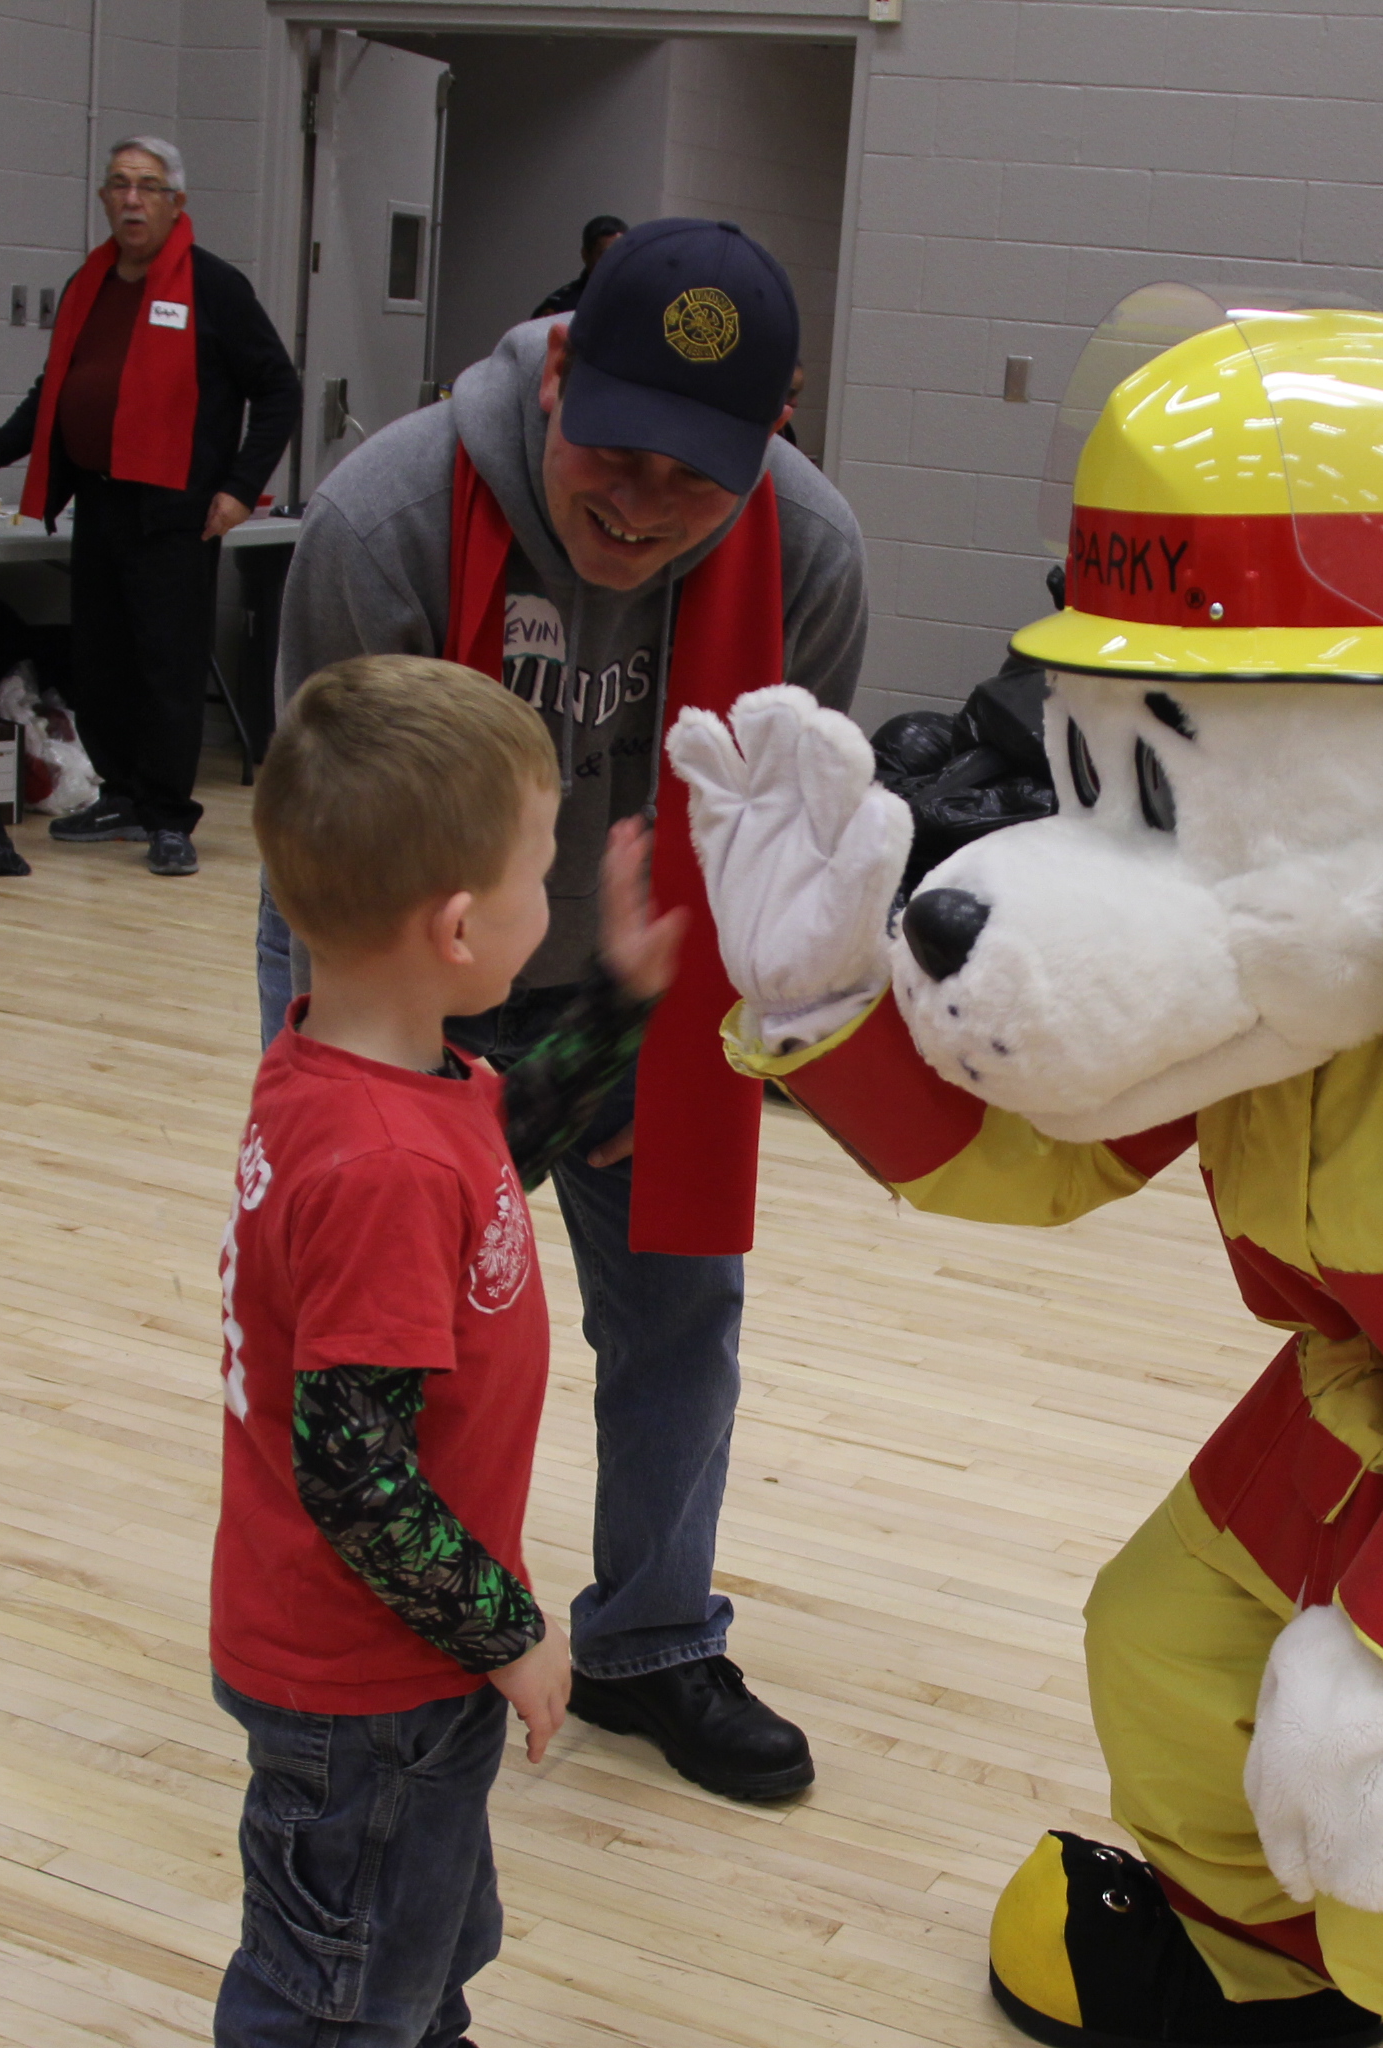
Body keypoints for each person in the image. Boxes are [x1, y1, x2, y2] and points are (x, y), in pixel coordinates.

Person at [264, 217, 865, 1801]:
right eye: (617, 453)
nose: (640, 507)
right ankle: (363, 1650)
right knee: (393, 1332)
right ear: (555, 381)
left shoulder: (810, 555)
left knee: (681, 1309)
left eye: (694, 481)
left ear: (772, 435)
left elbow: (787, 837)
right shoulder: (386, 515)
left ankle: (652, 1640)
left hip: (649, 970)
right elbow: (326, 835)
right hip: (408, 963)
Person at [218, 653, 683, 2048]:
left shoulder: (398, 1073)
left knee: (428, 1924)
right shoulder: (373, 1160)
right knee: (327, 1986)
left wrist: (620, 992)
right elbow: (352, 1469)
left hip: (403, 1666)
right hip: (363, 1670)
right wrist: (509, 1626)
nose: (552, 897)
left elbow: (509, 1140)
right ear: (454, 926)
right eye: (539, 878)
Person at [0, 135, 301, 877]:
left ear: (176, 203)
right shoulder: (90, 282)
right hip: (102, 500)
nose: (132, 198)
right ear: (105, 198)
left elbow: (279, 389)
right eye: (118, 184)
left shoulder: (214, 288)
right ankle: (121, 796)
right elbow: (56, 390)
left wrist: (239, 489)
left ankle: (170, 815)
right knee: (102, 659)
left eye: (147, 186)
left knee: (166, 665)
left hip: (177, 507)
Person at [526, 215, 624, 319]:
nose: (616, 260)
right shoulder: (562, 306)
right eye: (606, 255)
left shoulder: (639, 295)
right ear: (586, 255)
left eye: (621, 253)